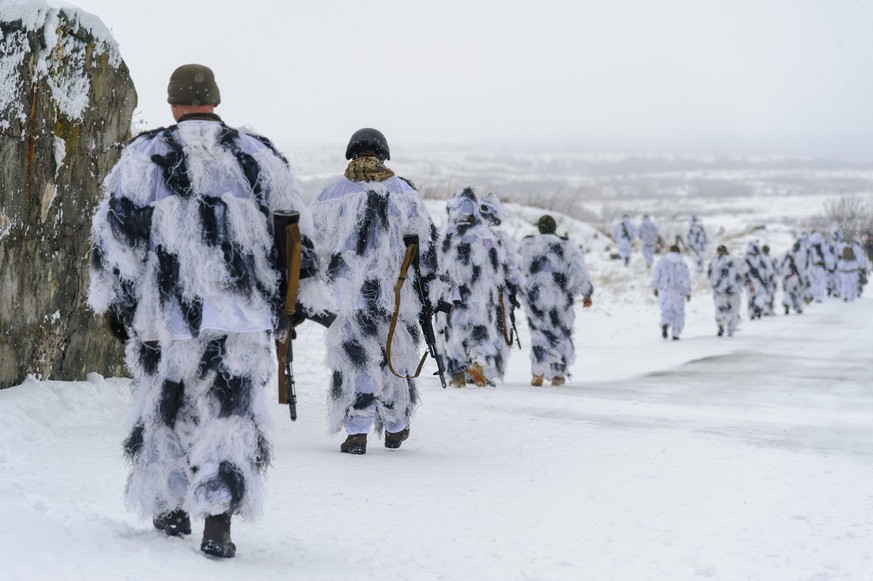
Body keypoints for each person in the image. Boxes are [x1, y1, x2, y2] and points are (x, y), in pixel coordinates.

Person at [88, 64, 327, 558]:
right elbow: (293, 234)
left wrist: (119, 305)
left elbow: (116, 241)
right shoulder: (258, 155)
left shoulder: (142, 155)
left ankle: (171, 506)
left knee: (165, 406)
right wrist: (291, 302)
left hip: (165, 317)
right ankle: (217, 521)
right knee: (230, 414)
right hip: (240, 315)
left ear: (174, 104)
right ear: (215, 101)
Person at [310, 128, 440, 455]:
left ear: (351, 152)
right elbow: (426, 248)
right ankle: (396, 425)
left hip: (349, 296)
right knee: (394, 358)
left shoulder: (331, 193)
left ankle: (357, 432)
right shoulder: (404, 193)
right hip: (397, 296)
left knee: (355, 360)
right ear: (384, 154)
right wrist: (431, 296)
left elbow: (316, 245)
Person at [436, 187, 509, 387]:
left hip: (452, 295)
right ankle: (478, 360)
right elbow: (499, 266)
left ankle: (457, 373)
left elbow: (438, 266)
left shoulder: (446, 235)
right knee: (481, 331)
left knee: (454, 332)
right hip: (480, 294)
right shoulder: (486, 236)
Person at [518, 215, 593, 386]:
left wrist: (514, 291)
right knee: (560, 333)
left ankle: (538, 372)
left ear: (539, 228)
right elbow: (579, 270)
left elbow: (515, 268)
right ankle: (558, 373)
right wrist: (586, 293)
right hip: (560, 297)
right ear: (554, 228)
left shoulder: (527, 245)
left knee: (538, 332)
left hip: (535, 296)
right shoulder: (567, 246)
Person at [478, 193, 525, 379]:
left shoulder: (462, 234)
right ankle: (488, 370)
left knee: (467, 330)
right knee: (495, 330)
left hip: (464, 294)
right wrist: (514, 289)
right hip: (495, 294)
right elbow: (512, 267)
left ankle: (464, 369)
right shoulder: (499, 238)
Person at [652, 244, 692, 340]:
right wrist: (688, 292)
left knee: (666, 310)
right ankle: (675, 333)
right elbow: (686, 279)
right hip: (678, 292)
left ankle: (665, 323)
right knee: (678, 313)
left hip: (665, 291)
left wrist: (655, 287)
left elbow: (656, 275)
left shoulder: (662, 262)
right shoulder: (682, 264)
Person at [707, 245, 744, 336]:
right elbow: (740, 274)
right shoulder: (734, 260)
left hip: (720, 291)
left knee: (720, 309)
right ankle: (730, 328)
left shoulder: (714, 262)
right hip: (733, 290)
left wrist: (714, 286)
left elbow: (710, 275)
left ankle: (721, 326)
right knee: (733, 310)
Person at [780, 242, 805, 315]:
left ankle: (788, 306)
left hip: (788, 277)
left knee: (788, 292)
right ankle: (797, 307)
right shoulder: (799, 255)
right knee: (796, 293)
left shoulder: (786, 255)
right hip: (794, 277)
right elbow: (801, 268)